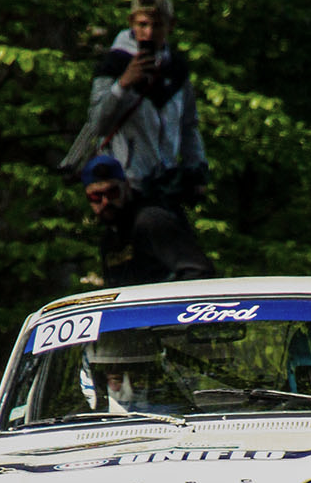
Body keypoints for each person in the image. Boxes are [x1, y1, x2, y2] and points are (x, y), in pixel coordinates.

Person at [88, 0, 208, 205]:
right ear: (131, 23)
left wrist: (196, 172)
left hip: (167, 185)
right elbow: (97, 125)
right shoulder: (112, 65)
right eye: (143, 24)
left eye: (157, 25)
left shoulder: (177, 70)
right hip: (124, 186)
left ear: (171, 25)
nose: (149, 33)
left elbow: (189, 126)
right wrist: (122, 85)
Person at [81, 155, 215, 286]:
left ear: (126, 187)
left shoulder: (151, 221)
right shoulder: (109, 239)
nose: (105, 201)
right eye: (96, 196)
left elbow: (199, 272)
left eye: (112, 193)